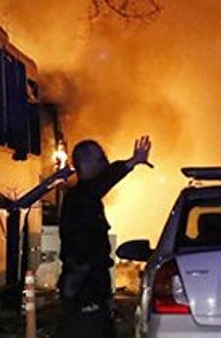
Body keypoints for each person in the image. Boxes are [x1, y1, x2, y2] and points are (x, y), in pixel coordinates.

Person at [58, 135, 152, 337]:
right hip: (83, 285)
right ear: (85, 163)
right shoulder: (80, 197)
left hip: (89, 284)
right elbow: (102, 182)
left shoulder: (84, 198)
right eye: (100, 159)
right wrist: (131, 163)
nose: (105, 164)